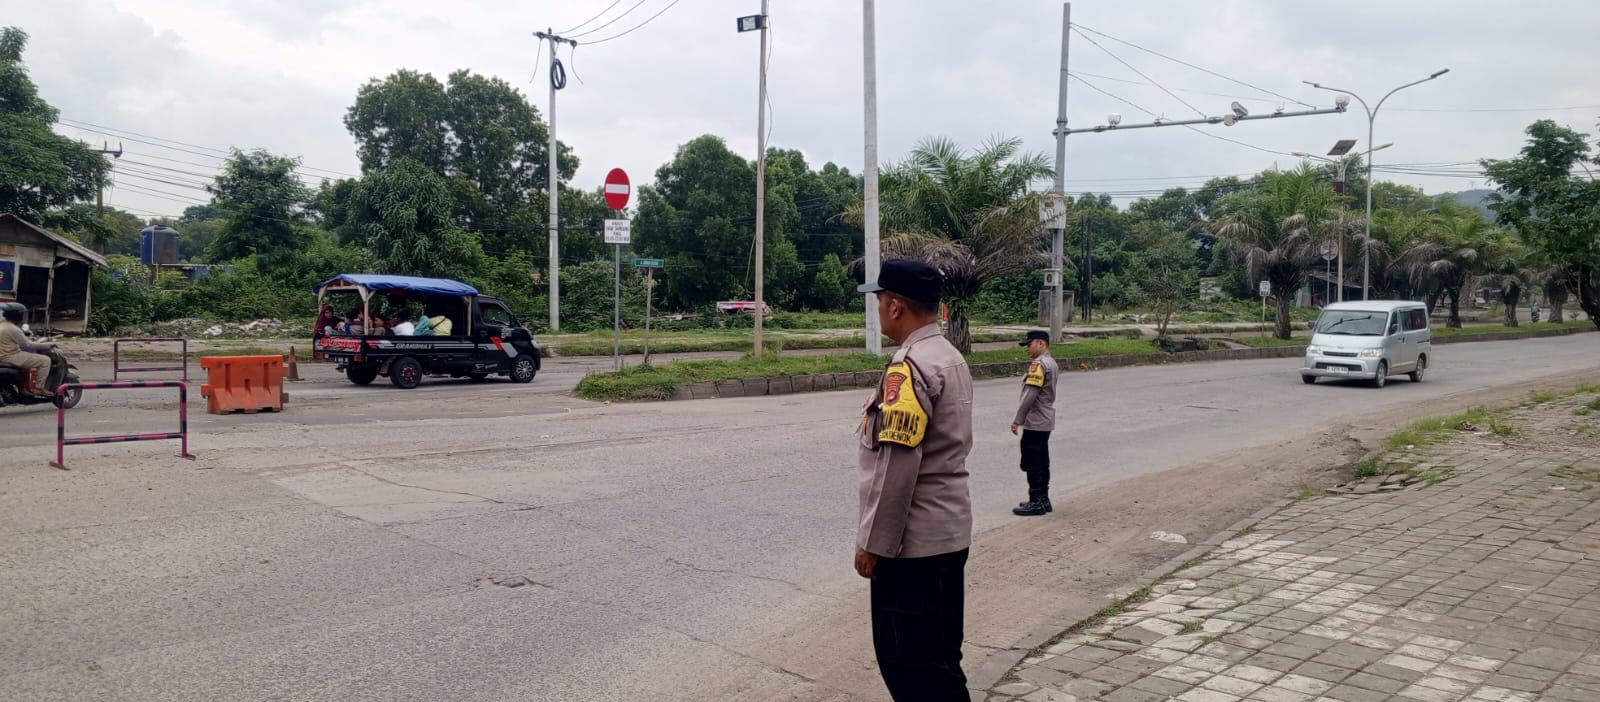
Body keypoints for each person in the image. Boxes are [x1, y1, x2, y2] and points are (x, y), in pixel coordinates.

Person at [853, 258, 974, 701]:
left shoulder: (909, 367)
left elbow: (897, 467)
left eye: (879, 301)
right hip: (947, 536)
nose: (879, 310)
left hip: (912, 550)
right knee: (941, 663)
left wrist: (874, 544)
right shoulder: (949, 357)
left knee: (911, 671)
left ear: (896, 305)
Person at [1010, 329, 1059, 516]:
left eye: (1029, 344)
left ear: (1041, 343)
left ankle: (1036, 501)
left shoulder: (1038, 365)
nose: (1027, 349)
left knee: (1032, 461)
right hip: (1045, 420)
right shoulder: (1051, 363)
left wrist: (1018, 419)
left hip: (1036, 420)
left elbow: (1030, 395)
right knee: (1042, 460)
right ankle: (1044, 500)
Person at [1, 305, 56, 396]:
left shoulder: (2, 325)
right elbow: (28, 345)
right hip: (11, 356)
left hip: (3, 356)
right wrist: (49, 345)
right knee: (45, 360)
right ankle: (38, 388)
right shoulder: (13, 329)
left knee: (28, 358)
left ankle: (25, 387)